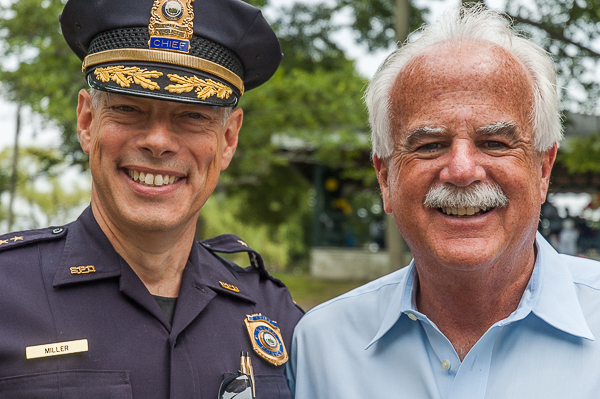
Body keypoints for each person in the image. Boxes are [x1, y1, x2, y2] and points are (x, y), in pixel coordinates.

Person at [288, 5, 600, 399]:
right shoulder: (321, 346)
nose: (462, 170)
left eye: (494, 143)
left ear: (543, 169)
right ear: (385, 177)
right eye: (430, 145)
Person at [0, 0, 302, 397]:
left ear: (228, 141)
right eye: (128, 109)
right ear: (87, 122)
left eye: (193, 116)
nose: (158, 141)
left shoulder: (278, 315)